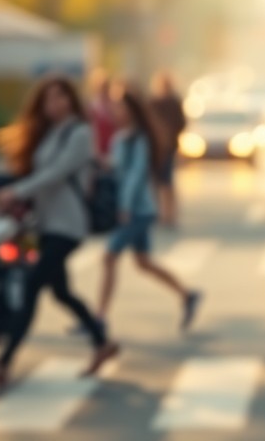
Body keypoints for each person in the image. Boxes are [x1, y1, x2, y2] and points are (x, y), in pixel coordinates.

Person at [0, 76, 119, 387]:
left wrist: (16, 192)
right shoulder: (51, 132)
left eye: (60, 97)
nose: (54, 104)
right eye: (48, 99)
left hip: (69, 225)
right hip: (47, 225)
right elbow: (35, 170)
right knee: (61, 291)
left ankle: (3, 362)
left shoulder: (80, 132)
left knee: (33, 287)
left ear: (71, 100)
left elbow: (56, 173)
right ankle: (102, 343)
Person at [92, 86, 202, 334]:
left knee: (109, 257)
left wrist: (124, 207)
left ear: (131, 109)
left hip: (137, 211)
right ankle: (187, 295)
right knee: (144, 263)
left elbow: (136, 175)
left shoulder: (139, 138)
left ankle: (99, 317)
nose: (116, 110)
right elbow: (118, 168)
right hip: (131, 209)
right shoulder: (120, 138)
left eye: (120, 106)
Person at [147, 72, 187, 228]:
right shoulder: (153, 102)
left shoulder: (174, 102)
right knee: (157, 182)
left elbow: (181, 122)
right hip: (156, 147)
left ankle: (170, 213)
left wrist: (171, 135)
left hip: (169, 147)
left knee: (167, 181)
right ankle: (160, 212)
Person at [87, 69, 118, 159]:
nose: (103, 88)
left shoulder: (115, 105)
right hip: (99, 150)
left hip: (113, 148)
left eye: (105, 85)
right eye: (100, 85)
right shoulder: (92, 107)